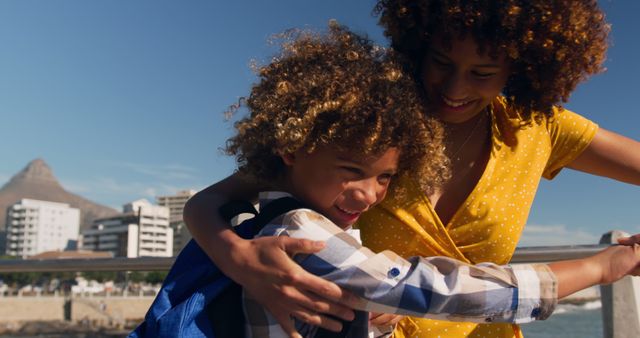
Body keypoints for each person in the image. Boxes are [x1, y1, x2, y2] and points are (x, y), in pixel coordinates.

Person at [184, 1, 640, 337]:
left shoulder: (542, 129)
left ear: (520, 70)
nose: (454, 88)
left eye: (483, 72)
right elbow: (209, 201)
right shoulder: (364, 121)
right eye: (441, 62)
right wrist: (237, 258)